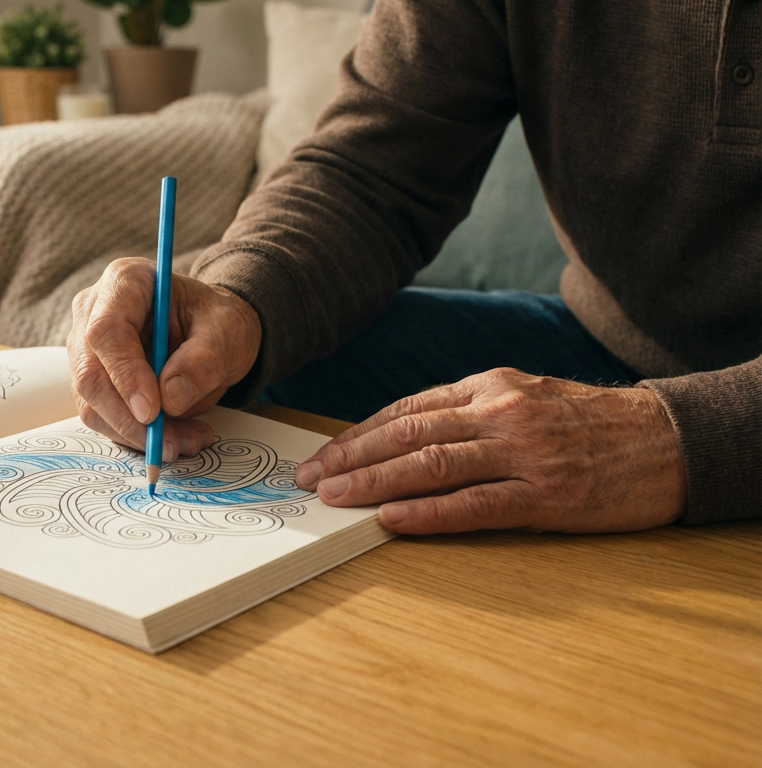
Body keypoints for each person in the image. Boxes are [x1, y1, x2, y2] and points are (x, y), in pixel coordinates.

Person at [67, 0, 760, 535]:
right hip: (608, 339)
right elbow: (376, 166)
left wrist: (681, 440)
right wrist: (238, 295)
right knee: (264, 369)